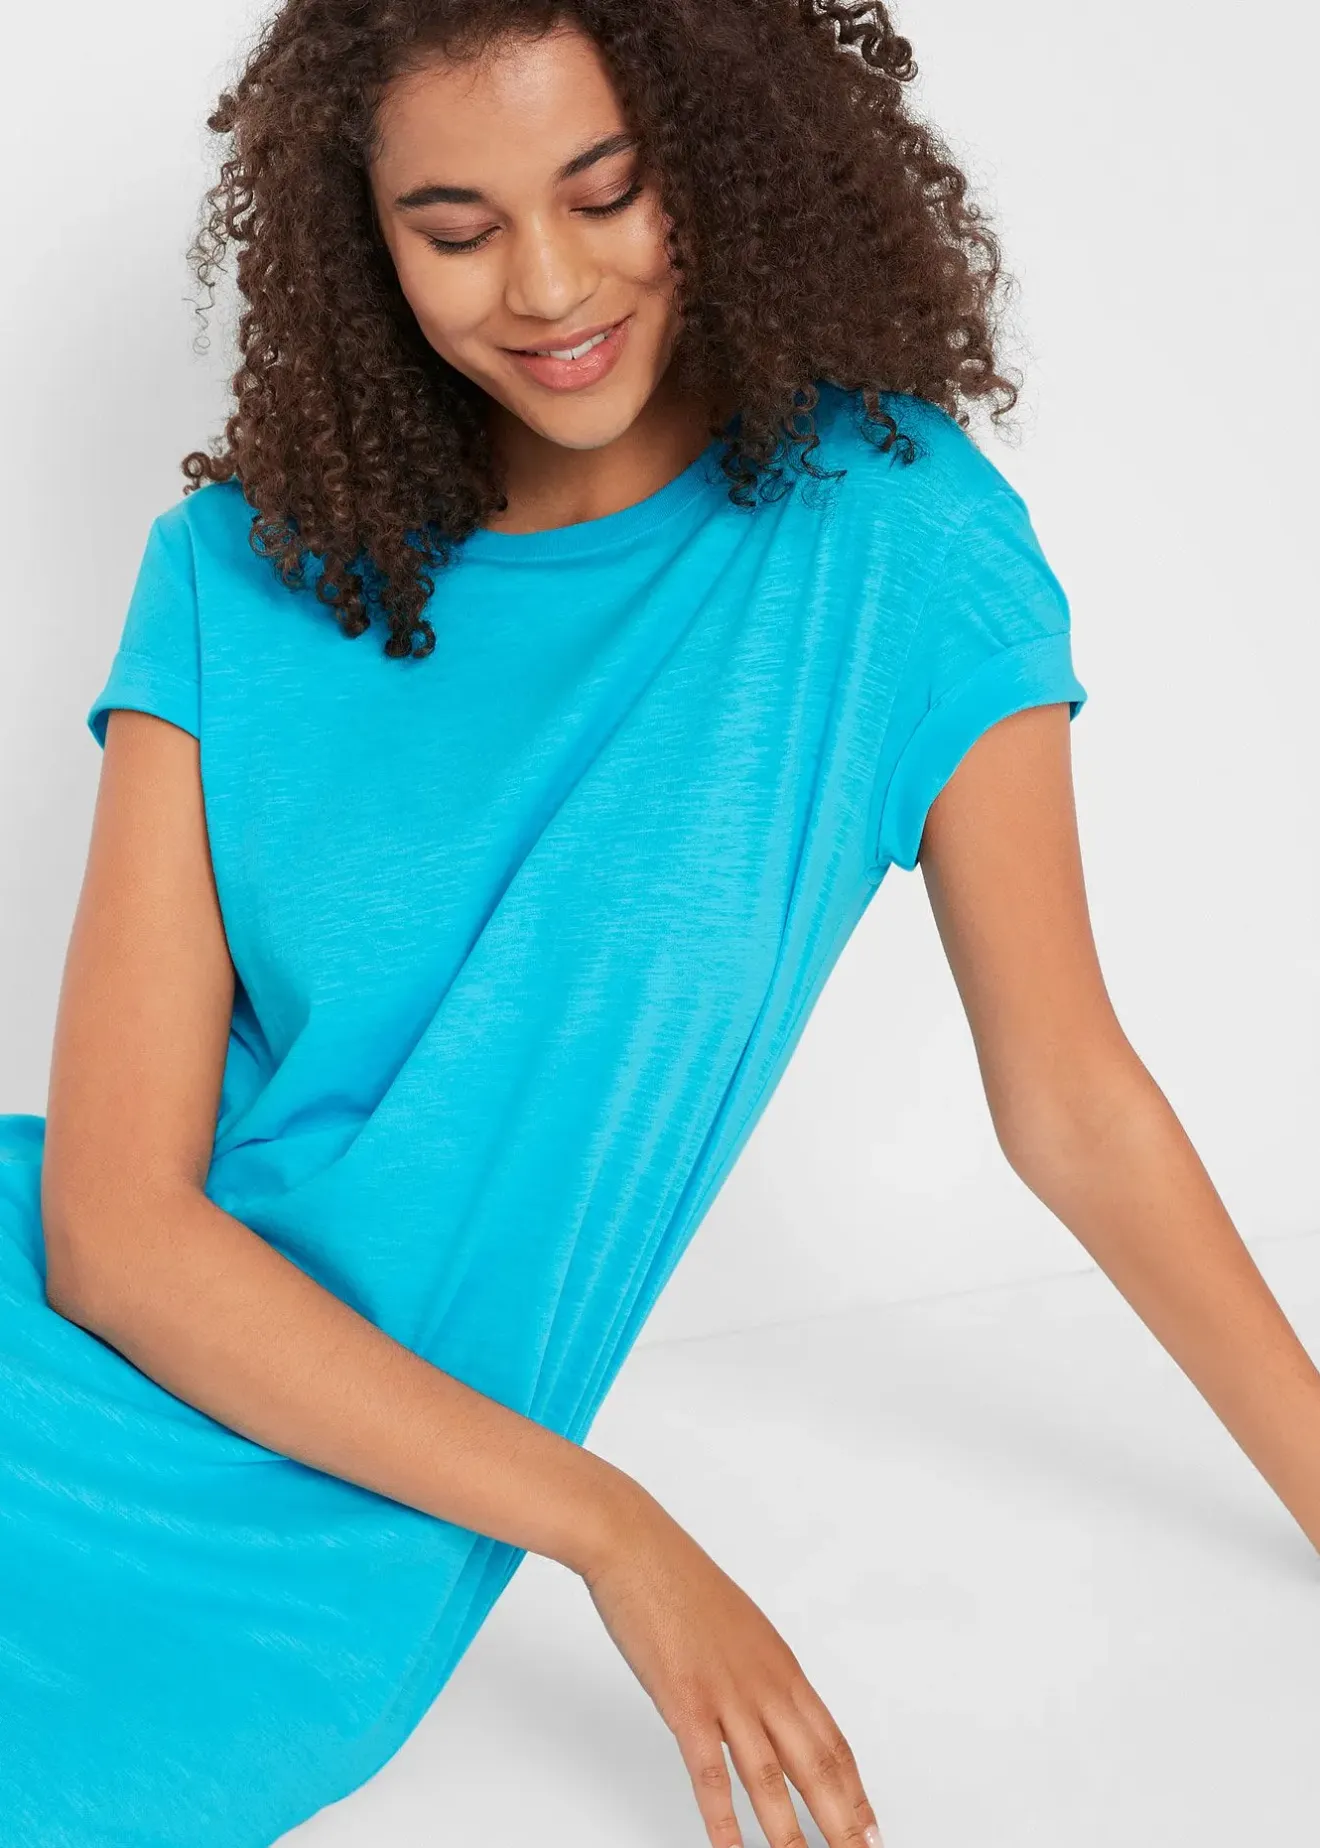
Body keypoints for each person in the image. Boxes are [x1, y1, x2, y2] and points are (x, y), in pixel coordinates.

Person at [1, 2, 1316, 1844]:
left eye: (606, 192)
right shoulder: (233, 573)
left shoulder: (886, 541)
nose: (547, 286)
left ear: (726, 157)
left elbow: (1074, 1102)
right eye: (455, 229)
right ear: (360, 238)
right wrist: (617, 1532)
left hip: (295, 1546)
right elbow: (113, 1236)